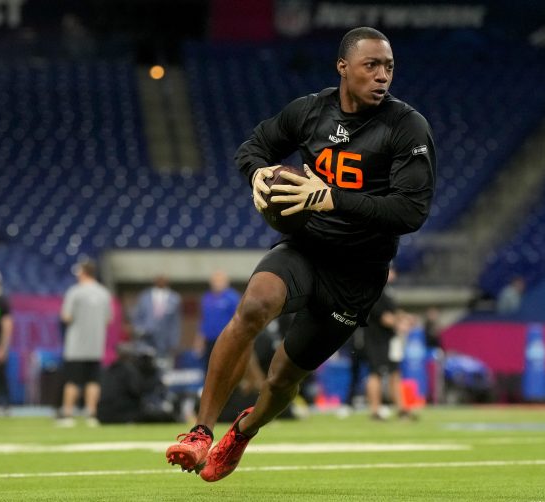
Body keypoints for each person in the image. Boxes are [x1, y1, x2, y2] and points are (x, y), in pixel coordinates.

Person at [165, 26, 435, 482]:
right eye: (371, 65)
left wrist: (331, 197)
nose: (382, 76)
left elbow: (411, 211)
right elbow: (253, 148)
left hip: (357, 275)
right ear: (343, 67)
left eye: (388, 67)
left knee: (284, 376)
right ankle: (199, 431)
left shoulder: (407, 126)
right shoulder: (310, 111)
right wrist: (256, 174)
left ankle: (243, 430)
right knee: (252, 306)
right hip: (306, 248)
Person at [58, 259, 112, 426]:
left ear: (83, 272)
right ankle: (91, 414)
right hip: (95, 345)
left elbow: (66, 316)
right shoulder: (104, 293)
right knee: (93, 381)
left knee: (72, 381)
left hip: (76, 346)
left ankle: (67, 414)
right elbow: (108, 319)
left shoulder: (75, 292)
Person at [364, 267, 414, 420]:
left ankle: (401, 408)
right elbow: (384, 317)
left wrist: (406, 318)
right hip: (377, 339)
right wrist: (400, 324)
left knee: (395, 373)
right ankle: (375, 410)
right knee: (376, 373)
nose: (393, 274)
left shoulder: (388, 291)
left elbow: (394, 311)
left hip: (389, 340)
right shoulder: (375, 290)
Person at [131, 275, 182, 369]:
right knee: (146, 369)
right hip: (146, 340)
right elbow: (137, 316)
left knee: (164, 369)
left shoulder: (174, 298)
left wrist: (174, 342)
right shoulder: (144, 297)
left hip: (165, 342)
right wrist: (139, 330)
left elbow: (175, 323)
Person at [200, 270, 241, 372]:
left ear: (226, 282)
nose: (217, 283)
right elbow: (203, 319)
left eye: (220, 280)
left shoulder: (232, 297)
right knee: (209, 368)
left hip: (226, 340)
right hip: (209, 340)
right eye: (215, 281)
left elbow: (238, 320)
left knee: (225, 368)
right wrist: (199, 340)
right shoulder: (206, 297)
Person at [0, 267, 13, 416]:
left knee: (0, 375)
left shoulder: (2, 301)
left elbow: (7, 325)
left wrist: (2, 346)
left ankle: (4, 404)